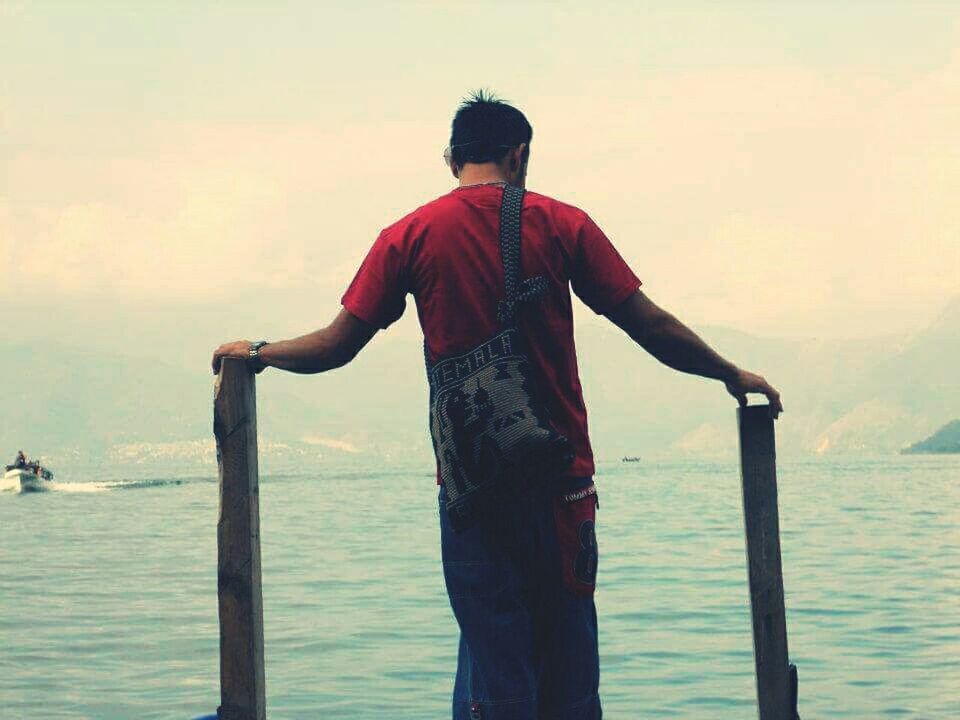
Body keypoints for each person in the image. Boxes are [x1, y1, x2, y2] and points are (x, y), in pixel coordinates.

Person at [212, 91, 783, 720]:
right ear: (520, 155)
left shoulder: (408, 235)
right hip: (562, 488)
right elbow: (647, 324)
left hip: (473, 493)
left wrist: (261, 351)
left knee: (493, 671)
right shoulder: (564, 223)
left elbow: (336, 345)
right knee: (570, 677)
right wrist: (727, 372)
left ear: (451, 158)